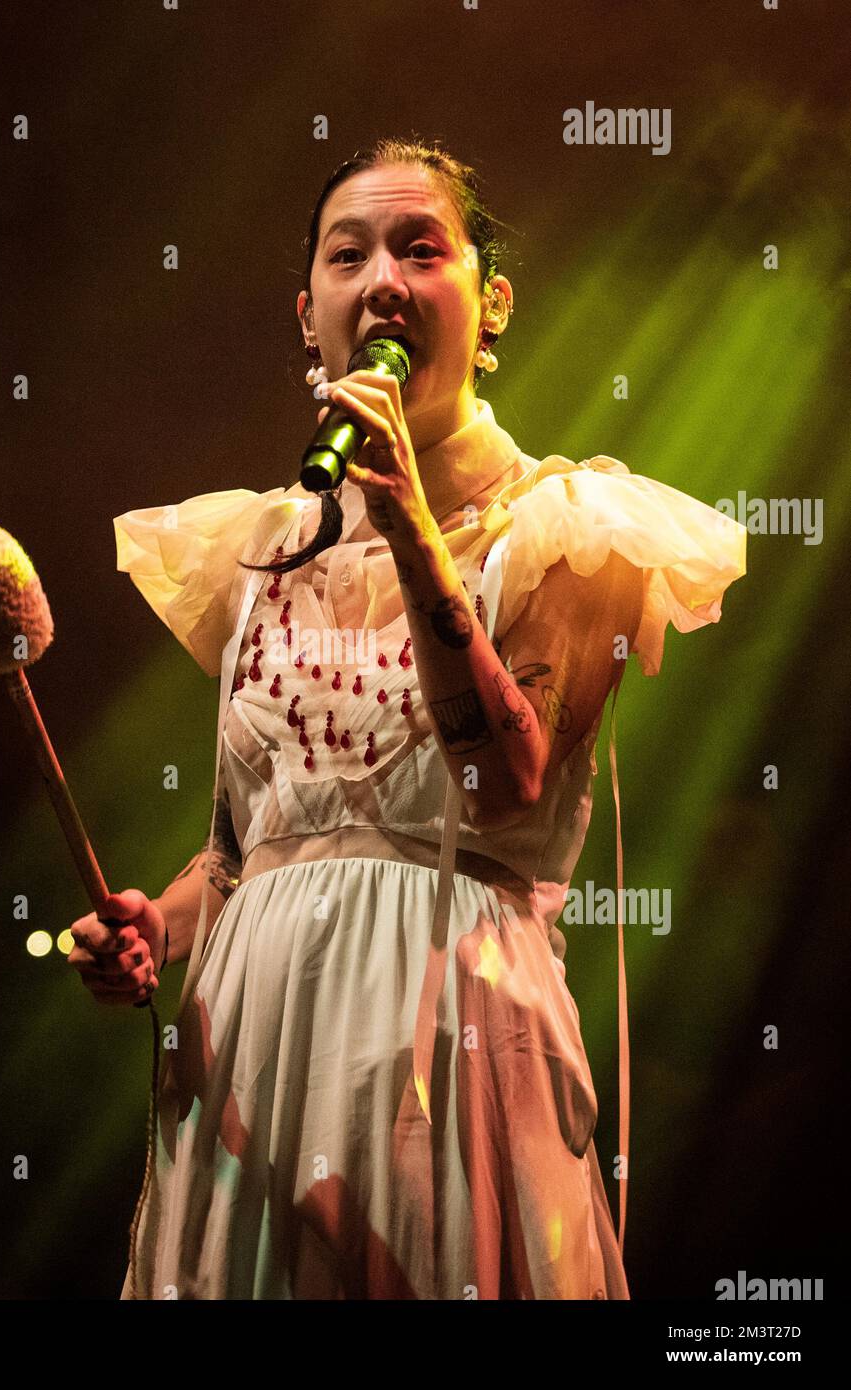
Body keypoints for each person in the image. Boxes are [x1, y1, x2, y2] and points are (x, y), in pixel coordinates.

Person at [67, 138, 747, 1300]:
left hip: (453, 1040)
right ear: (307, 314)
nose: (381, 278)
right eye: (349, 254)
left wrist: (413, 530)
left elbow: (506, 785)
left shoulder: (574, 526)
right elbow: (254, 847)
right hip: (253, 1055)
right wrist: (160, 925)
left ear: (489, 304)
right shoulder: (258, 549)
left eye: (419, 248)